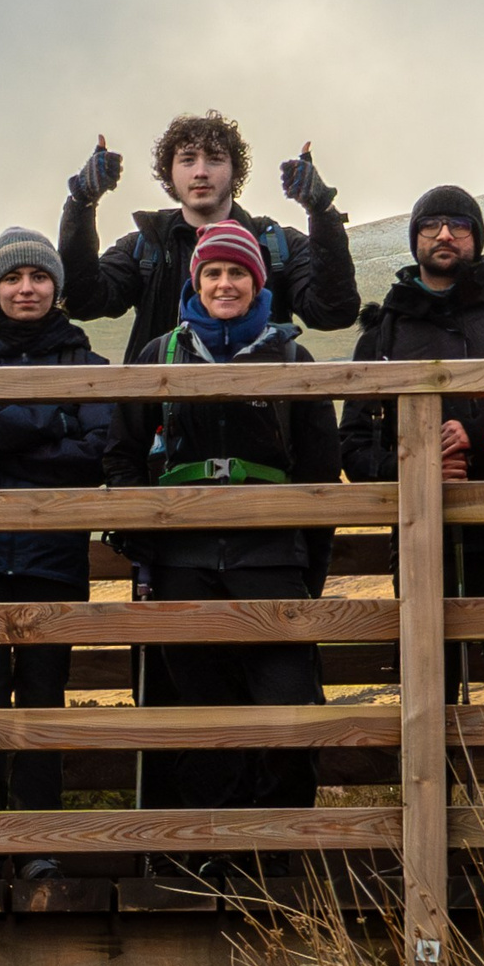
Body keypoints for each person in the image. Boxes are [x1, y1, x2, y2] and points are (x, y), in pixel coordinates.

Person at [104, 222, 339, 882]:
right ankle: (213, 857)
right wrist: (138, 532)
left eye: (239, 273)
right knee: (202, 720)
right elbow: (121, 453)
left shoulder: (293, 360)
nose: (226, 284)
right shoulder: (159, 355)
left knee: (292, 713)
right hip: (182, 565)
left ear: (258, 283)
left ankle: (274, 853)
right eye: (213, 274)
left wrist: (307, 566)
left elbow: (323, 470)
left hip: (273, 562)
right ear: (196, 282)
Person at [337, 185, 484, 802]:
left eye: (459, 226)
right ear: (414, 239)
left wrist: (481, 440)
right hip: (419, 538)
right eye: (431, 226)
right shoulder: (382, 331)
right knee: (426, 688)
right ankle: (433, 837)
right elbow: (353, 448)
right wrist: (415, 464)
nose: (444, 237)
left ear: (476, 238)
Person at [0, 228, 112, 880]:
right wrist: (52, 418)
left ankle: (39, 844)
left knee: (43, 700)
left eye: (38, 277)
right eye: (13, 278)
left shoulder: (87, 365)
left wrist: (8, 430)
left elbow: (92, 455)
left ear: (57, 287)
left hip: (52, 558)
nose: (26, 288)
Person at [57, 113, 362, 361]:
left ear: (234, 171)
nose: (200, 171)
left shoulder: (276, 244)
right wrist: (82, 203)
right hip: (163, 426)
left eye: (215, 159)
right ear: (170, 173)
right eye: (187, 160)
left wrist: (322, 212)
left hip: (262, 421)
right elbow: (83, 301)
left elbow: (334, 311)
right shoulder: (145, 245)